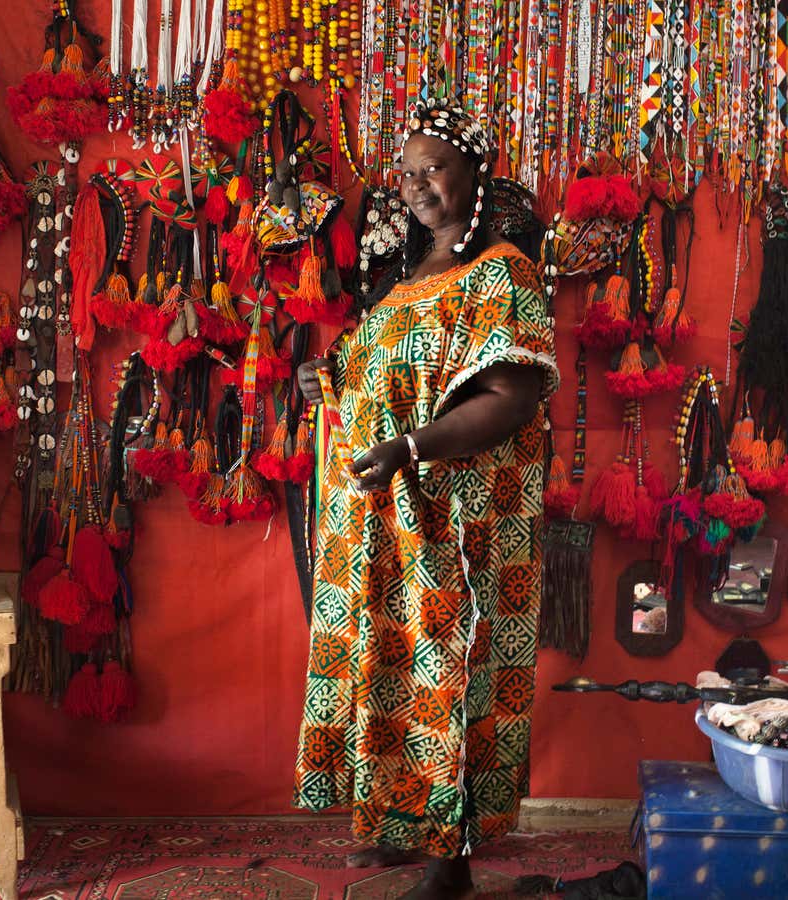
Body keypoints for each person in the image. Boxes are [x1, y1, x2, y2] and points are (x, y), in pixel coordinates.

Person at [293, 99, 558, 900]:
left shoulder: (502, 272)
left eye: (432, 169)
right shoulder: (406, 281)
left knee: (452, 677)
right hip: (383, 521)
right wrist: (327, 378)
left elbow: (510, 396)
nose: (415, 188)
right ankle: (399, 820)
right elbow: (391, 376)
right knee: (392, 673)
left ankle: (454, 860)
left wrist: (410, 447)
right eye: (405, 175)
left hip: (459, 524)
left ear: (476, 170)